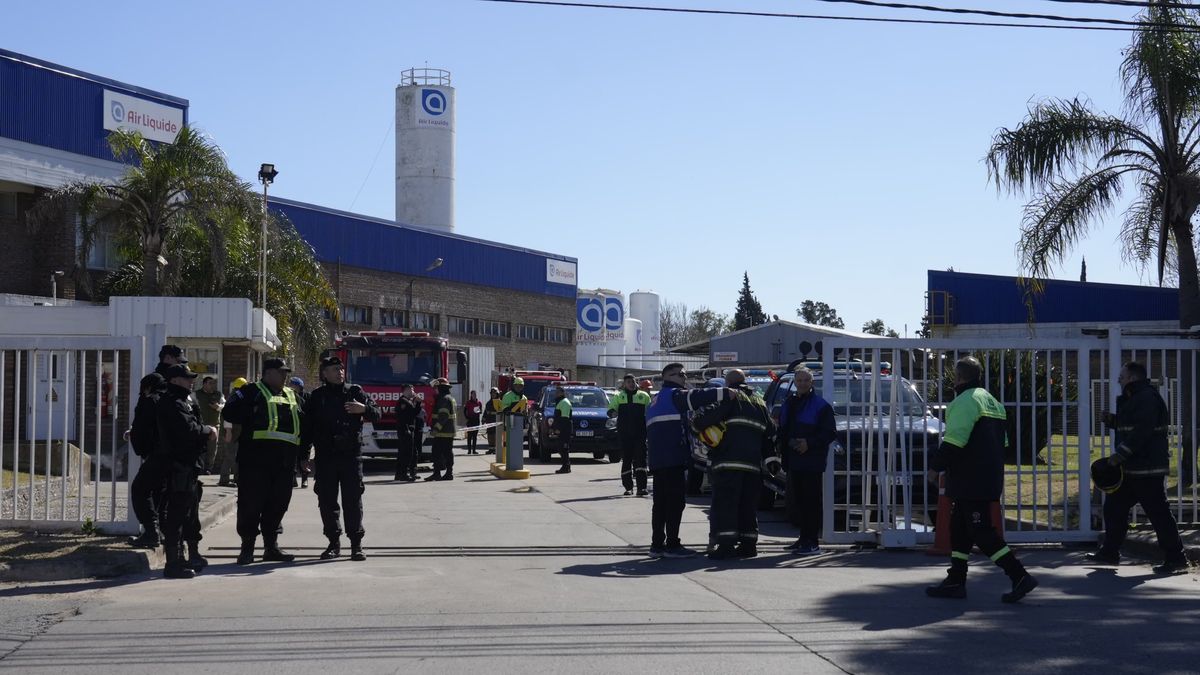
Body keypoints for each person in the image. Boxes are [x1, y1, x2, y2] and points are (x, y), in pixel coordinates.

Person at [926, 356, 1037, 603]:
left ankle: (1019, 576)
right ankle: (956, 580)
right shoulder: (993, 402)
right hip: (986, 475)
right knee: (959, 528)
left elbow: (955, 440)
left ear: (959, 377)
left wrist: (935, 468)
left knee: (982, 533)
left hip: (970, 479)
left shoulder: (964, 401)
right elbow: (1004, 443)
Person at [1088, 361, 1189, 574]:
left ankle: (1176, 559)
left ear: (1132, 378)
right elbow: (1131, 425)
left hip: (1147, 470)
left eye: (1122, 376)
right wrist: (1112, 420)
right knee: (1114, 508)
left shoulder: (1146, 398)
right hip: (1134, 470)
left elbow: (1142, 432)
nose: (1119, 379)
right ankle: (1109, 552)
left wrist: (1119, 455)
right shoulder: (1135, 398)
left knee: (1158, 514)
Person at [223, 358, 307, 565]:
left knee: (277, 505)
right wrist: (250, 411)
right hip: (255, 462)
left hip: (284, 464)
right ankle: (247, 548)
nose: (285, 376)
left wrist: (304, 456)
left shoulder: (292, 395)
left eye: (286, 372)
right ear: (268, 373)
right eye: (281, 372)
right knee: (250, 505)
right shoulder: (251, 391)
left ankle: (271, 547)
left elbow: (305, 425)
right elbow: (228, 411)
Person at [645, 363, 731, 558]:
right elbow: (698, 397)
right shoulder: (674, 395)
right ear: (670, 376)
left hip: (658, 460)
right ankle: (673, 545)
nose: (685, 378)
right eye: (682, 375)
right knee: (675, 503)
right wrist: (725, 392)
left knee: (660, 504)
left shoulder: (654, 400)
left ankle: (657, 544)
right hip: (673, 457)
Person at [691, 369, 777, 560]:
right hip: (753, 466)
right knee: (747, 506)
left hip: (727, 463)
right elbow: (770, 432)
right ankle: (748, 546)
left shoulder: (729, 397)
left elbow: (704, 421)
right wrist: (771, 460)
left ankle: (726, 546)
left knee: (726, 505)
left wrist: (696, 424)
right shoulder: (760, 403)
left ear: (727, 383)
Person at [303, 356, 380, 561]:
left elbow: (377, 413)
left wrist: (364, 409)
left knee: (353, 501)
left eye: (341, 369)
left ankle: (356, 544)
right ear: (325, 373)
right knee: (327, 502)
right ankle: (333, 543)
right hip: (326, 457)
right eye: (335, 369)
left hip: (351, 457)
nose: (340, 372)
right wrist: (303, 457)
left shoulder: (355, 392)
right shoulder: (317, 397)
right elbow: (307, 429)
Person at [155, 363, 217, 579]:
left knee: (188, 514)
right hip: (178, 466)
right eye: (186, 378)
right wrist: (207, 430)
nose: (191, 381)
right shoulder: (172, 402)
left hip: (188, 466)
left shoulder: (184, 400)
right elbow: (187, 429)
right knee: (176, 514)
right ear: (174, 381)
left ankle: (183, 558)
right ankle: (173, 563)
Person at [777, 366, 836, 555]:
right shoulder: (789, 403)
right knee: (799, 502)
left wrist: (808, 444)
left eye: (806, 380)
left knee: (811, 502)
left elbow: (829, 433)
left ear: (812, 383)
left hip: (812, 462)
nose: (802, 383)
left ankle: (812, 542)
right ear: (795, 382)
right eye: (799, 380)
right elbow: (783, 431)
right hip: (794, 461)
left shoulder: (821, 406)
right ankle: (803, 538)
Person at [128, 373, 167, 549]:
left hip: (156, 455)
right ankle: (160, 532)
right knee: (158, 494)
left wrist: (138, 442)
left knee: (140, 490)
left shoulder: (149, 400)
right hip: (171, 456)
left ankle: (151, 532)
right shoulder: (169, 400)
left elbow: (142, 427)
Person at [608, 374, 651, 496]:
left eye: (632, 381)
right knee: (626, 460)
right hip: (624, 434)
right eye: (628, 382)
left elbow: (651, 412)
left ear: (636, 382)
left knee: (640, 460)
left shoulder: (644, 396)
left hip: (640, 434)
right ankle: (628, 488)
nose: (631, 384)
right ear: (624, 384)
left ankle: (641, 488)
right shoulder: (619, 396)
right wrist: (612, 413)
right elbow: (610, 409)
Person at [215, 377, 247, 487]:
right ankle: (224, 480)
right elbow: (228, 415)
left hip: (237, 431)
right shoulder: (235, 398)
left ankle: (237, 479)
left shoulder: (238, 396)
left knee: (237, 456)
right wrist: (228, 431)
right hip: (232, 432)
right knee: (230, 456)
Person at [427, 378, 457, 481]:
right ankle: (448, 473)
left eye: (436, 388)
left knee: (436, 453)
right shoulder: (450, 398)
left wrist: (436, 429)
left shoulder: (443, 399)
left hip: (442, 432)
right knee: (448, 453)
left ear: (441, 388)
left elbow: (443, 416)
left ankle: (437, 473)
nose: (435, 390)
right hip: (448, 432)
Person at [195, 376, 225, 473]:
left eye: (214, 383)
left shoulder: (218, 394)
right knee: (201, 447)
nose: (213, 385)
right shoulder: (196, 394)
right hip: (201, 425)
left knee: (212, 448)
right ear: (204, 384)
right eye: (210, 383)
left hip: (214, 425)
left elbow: (224, 406)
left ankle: (208, 468)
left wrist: (218, 407)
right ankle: (200, 467)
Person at [288, 376, 313, 489]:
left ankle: (304, 478)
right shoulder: (287, 396)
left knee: (304, 457)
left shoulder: (307, 397)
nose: (291, 387)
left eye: (293, 385)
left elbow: (311, 413)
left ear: (299, 386)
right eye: (290, 385)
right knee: (292, 456)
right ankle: (293, 478)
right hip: (292, 432)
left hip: (305, 432)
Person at [394, 385, 423, 482]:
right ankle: (403, 474)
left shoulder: (408, 401)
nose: (413, 391)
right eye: (412, 389)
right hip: (406, 430)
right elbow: (408, 415)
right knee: (406, 453)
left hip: (408, 430)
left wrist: (417, 403)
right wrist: (418, 403)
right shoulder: (404, 402)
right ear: (406, 390)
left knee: (408, 452)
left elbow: (414, 413)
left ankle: (400, 474)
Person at [550, 385, 574, 474]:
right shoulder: (560, 402)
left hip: (565, 429)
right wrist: (553, 427)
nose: (556, 394)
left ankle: (566, 467)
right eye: (555, 392)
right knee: (561, 448)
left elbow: (564, 418)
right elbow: (557, 417)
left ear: (562, 393)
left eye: (557, 392)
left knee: (563, 448)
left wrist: (559, 429)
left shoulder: (564, 402)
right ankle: (566, 466)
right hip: (562, 428)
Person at [464, 390, 483, 455]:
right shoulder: (468, 403)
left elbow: (481, 411)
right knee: (469, 436)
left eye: (475, 394)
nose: (474, 395)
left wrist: (478, 411)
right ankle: (469, 450)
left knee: (475, 436)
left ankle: (474, 450)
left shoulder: (479, 402)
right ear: (471, 395)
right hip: (470, 421)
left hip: (476, 420)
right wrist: (467, 418)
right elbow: (465, 411)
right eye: (473, 394)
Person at [483, 388, 501, 453]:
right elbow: (486, 411)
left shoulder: (499, 402)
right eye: (492, 393)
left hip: (496, 421)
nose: (493, 395)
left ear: (497, 394)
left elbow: (501, 411)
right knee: (490, 435)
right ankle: (491, 449)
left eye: (494, 393)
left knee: (496, 436)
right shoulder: (488, 403)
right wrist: (483, 419)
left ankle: (496, 449)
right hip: (489, 421)